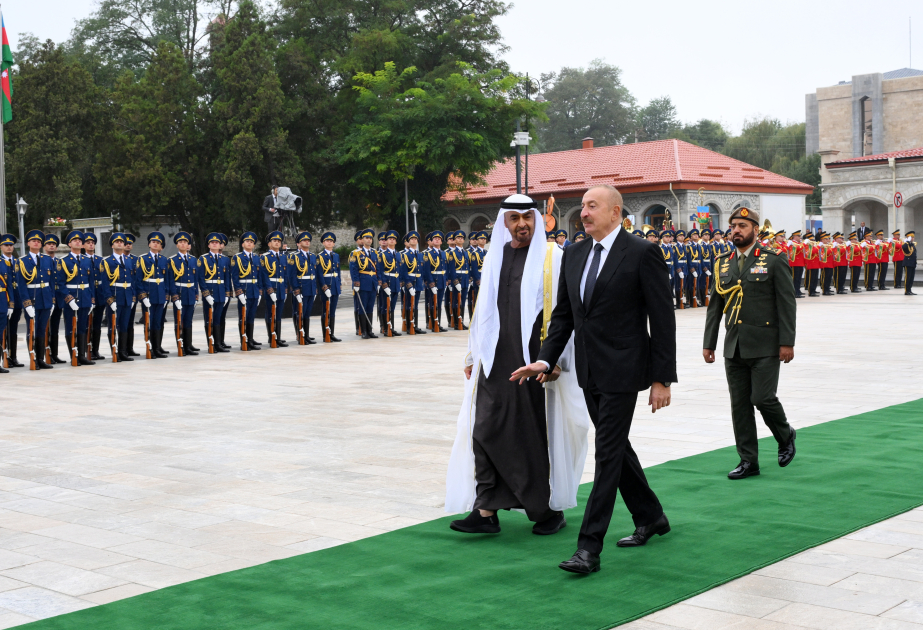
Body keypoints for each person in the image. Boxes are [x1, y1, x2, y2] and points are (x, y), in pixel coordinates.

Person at [512, 185, 676, 575]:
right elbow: (565, 316)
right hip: (589, 370)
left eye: (592, 206)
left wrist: (662, 378)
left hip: (624, 370)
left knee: (607, 453)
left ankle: (588, 548)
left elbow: (662, 319)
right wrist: (544, 359)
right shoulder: (575, 253)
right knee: (618, 450)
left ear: (616, 211)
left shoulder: (641, 252)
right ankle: (651, 516)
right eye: (582, 207)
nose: (583, 213)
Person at [446, 193, 589, 538]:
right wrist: (472, 355)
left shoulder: (553, 257)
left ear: (537, 220)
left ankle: (546, 510)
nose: (521, 224)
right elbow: (483, 311)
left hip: (534, 362)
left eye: (527, 218)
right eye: (514, 218)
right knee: (484, 429)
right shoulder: (495, 256)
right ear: (504, 222)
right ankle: (486, 510)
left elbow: (566, 314)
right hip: (494, 360)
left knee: (529, 435)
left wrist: (556, 360)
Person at [703, 207, 797, 481]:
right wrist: (709, 342)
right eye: (733, 226)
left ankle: (785, 434)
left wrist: (787, 342)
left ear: (755, 229)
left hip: (766, 344)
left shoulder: (774, 259)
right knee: (740, 405)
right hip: (734, 346)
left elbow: (786, 303)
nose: (736, 230)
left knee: (762, 398)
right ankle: (748, 461)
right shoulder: (722, 262)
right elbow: (714, 306)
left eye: (742, 225)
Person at [18, 230, 58, 370]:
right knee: (32, 330)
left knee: (42, 330)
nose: (36, 243)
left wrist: (52, 300)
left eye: (39, 241)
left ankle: (40, 359)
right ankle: (33, 359)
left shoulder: (47, 259)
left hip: (45, 298)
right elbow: (21, 285)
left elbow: (52, 281)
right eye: (34, 241)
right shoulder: (22, 261)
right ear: (28, 243)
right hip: (32, 300)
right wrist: (27, 303)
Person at [57, 230, 95, 366]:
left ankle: (82, 356)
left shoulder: (86, 260)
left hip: (85, 297)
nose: (78, 242)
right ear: (69, 244)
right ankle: (73, 355)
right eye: (75, 240)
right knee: (70, 327)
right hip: (71, 299)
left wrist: (92, 299)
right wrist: (69, 298)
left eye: (80, 240)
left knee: (83, 327)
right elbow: (60, 283)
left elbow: (91, 281)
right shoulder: (64, 261)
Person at [99, 233, 137, 362]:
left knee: (124, 325)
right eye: (117, 242)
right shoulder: (107, 261)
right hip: (115, 297)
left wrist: (132, 297)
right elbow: (105, 284)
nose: (120, 243)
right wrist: (110, 299)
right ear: (112, 245)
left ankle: (123, 351)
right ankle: (114, 351)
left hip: (126, 296)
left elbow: (131, 280)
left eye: (122, 242)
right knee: (113, 326)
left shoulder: (129, 260)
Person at [135, 232, 171, 358]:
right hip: (148, 295)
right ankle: (150, 349)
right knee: (149, 323)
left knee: (157, 323)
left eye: (158, 243)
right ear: (149, 244)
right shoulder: (143, 259)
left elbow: (166, 279)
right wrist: (143, 297)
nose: (155, 244)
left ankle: (157, 348)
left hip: (160, 294)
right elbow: (139, 280)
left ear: (161, 247)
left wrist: (166, 295)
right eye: (153, 242)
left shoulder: (164, 260)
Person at [167, 232, 199, 356]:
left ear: (188, 245)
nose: (183, 244)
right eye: (180, 242)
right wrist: (175, 297)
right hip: (180, 294)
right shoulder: (172, 260)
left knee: (188, 321)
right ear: (177, 245)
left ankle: (188, 345)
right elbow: (171, 280)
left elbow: (195, 279)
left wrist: (196, 294)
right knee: (179, 321)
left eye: (185, 242)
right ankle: (181, 346)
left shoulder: (193, 260)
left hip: (190, 293)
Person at [231, 232, 263, 350]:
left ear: (254, 245)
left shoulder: (256, 258)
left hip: (254, 290)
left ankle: (250, 339)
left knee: (251, 317)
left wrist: (260, 291)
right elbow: (235, 277)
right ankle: (243, 341)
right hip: (244, 291)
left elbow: (259, 276)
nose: (249, 243)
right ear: (243, 244)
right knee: (243, 317)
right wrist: (239, 292)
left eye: (251, 242)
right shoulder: (237, 258)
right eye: (247, 241)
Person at [288, 231, 318, 344]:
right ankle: (299, 335)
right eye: (304, 240)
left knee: (307, 313)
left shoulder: (312, 256)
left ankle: (307, 335)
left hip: (310, 288)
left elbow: (313, 274)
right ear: (298, 244)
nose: (307, 242)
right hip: (301, 288)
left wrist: (314, 289)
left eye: (308, 240)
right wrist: (296, 291)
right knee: (298, 312)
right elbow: (291, 275)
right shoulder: (293, 256)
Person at [261, 231, 289, 347]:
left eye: (279, 241)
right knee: (270, 313)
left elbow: (285, 274)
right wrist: (270, 290)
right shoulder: (265, 257)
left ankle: (278, 336)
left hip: (281, 288)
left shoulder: (283, 257)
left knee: (278, 313)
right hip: (271, 289)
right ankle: (271, 336)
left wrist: (286, 289)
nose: (277, 243)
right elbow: (264, 275)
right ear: (269, 243)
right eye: (274, 241)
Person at [350, 228, 378, 339]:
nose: (369, 240)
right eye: (367, 238)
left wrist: (379, 282)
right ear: (362, 240)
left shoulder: (375, 252)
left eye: (370, 238)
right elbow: (354, 269)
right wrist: (356, 284)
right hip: (363, 282)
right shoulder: (355, 253)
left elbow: (378, 269)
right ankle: (364, 331)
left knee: (370, 307)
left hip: (373, 283)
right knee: (362, 307)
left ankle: (370, 330)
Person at [43, 234, 67, 364]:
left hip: (58, 298)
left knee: (55, 327)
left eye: (54, 244)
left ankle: (54, 353)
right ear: (44, 246)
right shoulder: (42, 261)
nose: (51, 245)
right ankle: (45, 353)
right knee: (45, 327)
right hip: (46, 298)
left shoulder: (60, 262)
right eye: (49, 244)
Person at [84, 233, 107, 360]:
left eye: (92, 242)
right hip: (87, 295)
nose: (91, 244)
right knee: (87, 324)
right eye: (88, 242)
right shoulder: (82, 259)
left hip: (100, 294)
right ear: (83, 245)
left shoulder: (100, 260)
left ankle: (95, 350)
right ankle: (86, 350)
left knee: (97, 324)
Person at [1, 234, 23, 368]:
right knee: (3, 329)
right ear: (1, 247)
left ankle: (13, 356)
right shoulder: (0, 262)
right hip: (4, 300)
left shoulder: (18, 262)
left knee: (13, 330)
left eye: (10, 245)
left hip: (17, 299)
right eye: (6, 245)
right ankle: (4, 356)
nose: (9, 247)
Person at [316, 232, 342, 342]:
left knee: (332, 311)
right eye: (327, 241)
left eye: (331, 241)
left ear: (334, 243)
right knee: (326, 311)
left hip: (335, 286)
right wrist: (324, 288)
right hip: (326, 286)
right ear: (323, 243)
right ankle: (325, 334)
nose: (329, 242)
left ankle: (332, 333)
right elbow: (319, 274)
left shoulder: (336, 256)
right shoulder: (320, 256)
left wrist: (339, 284)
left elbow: (338, 272)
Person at [399, 231, 426, 334]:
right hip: (410, 282)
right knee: (409, 304)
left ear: (418, 241)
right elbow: (404, 271)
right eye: (411, 239)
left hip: (418, 282)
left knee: (415, 305)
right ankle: (409, 325)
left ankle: (415, 325)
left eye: (415, 239)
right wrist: (408, 285)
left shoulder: (420, 255)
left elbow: (421, 270)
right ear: (408, 242)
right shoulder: (405, 255)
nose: (414, 240)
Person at [377, 230, 401, 336]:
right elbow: (380, 270)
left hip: (395, 283)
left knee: (392, 307)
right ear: (386, 241)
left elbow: (400, 270)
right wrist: (384, 284)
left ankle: (391, 327)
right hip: (387, 283)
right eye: (390, 239)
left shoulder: (398, 254)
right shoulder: (382, 255)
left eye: (393, 239)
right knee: (385, 306)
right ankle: (385, 328)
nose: (392, 240)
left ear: (396, 242)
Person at [423, 231, 447, 332]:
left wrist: (446, 280)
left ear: (441, 242)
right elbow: (427, 270)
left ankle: (438, 323)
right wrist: (431, 283)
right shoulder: (428, 254)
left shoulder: (443, 253)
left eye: (439, 239)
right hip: (434, 281)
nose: (437, 240)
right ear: (432, 241)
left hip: (441, 281)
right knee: (433, 303)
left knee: (439, 303)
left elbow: (445, 268)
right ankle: (433, 324)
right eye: (435, 239)